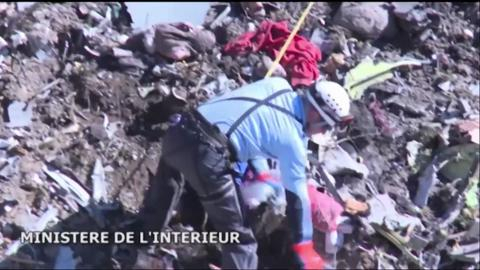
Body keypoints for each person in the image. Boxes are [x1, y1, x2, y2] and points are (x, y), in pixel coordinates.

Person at [153, 77, 353, 269]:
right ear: (316, 114)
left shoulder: (278, 84)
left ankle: (136, 245)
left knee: (165, 194)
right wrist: (305, 250)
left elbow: (250, 129)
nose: (321, 132)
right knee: (242, 242)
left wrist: (263, 174)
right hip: (206, 154)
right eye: (325, 126)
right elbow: (298, 201)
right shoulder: (292, 140)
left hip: (179, 131)